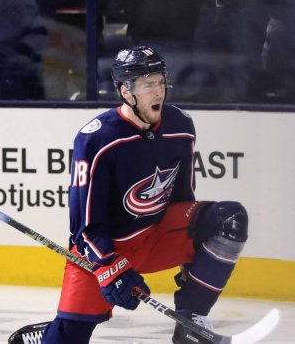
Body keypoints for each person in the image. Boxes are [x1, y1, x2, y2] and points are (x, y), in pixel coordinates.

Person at [20, 46, 249, 344]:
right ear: (126, 91)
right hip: (107, 247)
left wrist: (189, 266)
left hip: (156, 235)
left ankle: (191, 323)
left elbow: (182, 199)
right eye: (147, 85)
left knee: (228, 219)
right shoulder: (98, 139)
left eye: (160, 81)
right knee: (67, 338)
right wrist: (108, 265)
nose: (158, 92)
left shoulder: (181, 126)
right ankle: (50, 336)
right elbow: (84, 227)